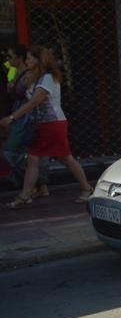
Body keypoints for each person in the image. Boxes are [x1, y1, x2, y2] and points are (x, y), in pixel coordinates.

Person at [1, 45, 91, 208]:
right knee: (33, 158)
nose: (26, 60)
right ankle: (25, 194)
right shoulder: (35, 77)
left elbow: (34, 101)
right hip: (42, 125)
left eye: (29, 58)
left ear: (38, 60)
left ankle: (86, 188)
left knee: (65, 158)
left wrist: (12, 117)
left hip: (53, 124)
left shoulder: (47, 78)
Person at [2, 44, 49, 195]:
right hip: (20, 115)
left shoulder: (32, 75)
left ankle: (37, 183)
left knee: (14, 151)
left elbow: (29, 97)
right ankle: (38, 185)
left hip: (26, 117)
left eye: (10, 57)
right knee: (30, 153)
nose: (8, 60)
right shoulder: (16, 72)